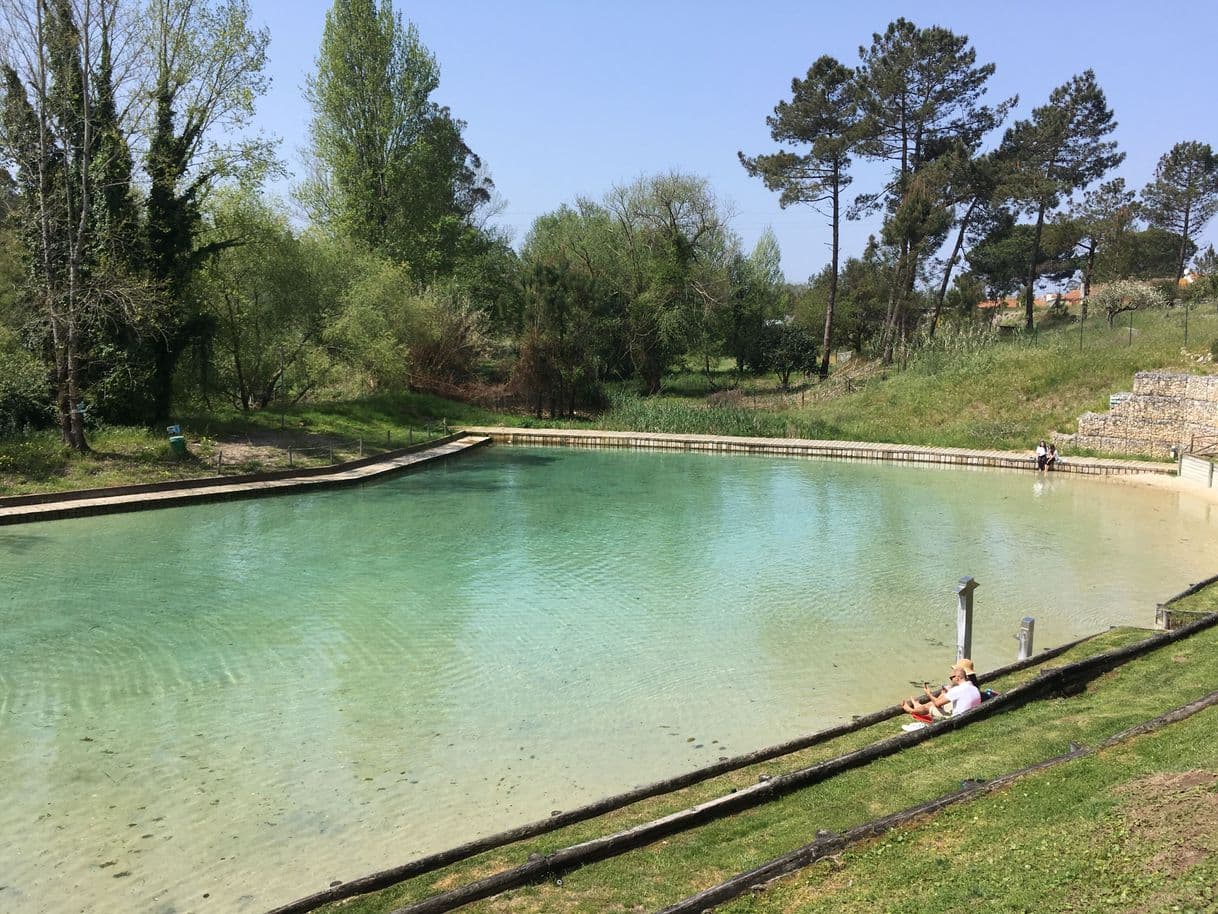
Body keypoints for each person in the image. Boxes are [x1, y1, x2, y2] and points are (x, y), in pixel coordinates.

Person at [901, 660, 982, 723]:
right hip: (968, 714)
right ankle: (917, 706)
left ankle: (911, 711)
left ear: (957, 678)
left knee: (931, 706)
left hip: (957, 718)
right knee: (938, 701)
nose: (950, 679)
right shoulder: (973, 686)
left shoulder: (958, 689)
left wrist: (929, 694)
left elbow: (937, 704)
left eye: (951, 678)